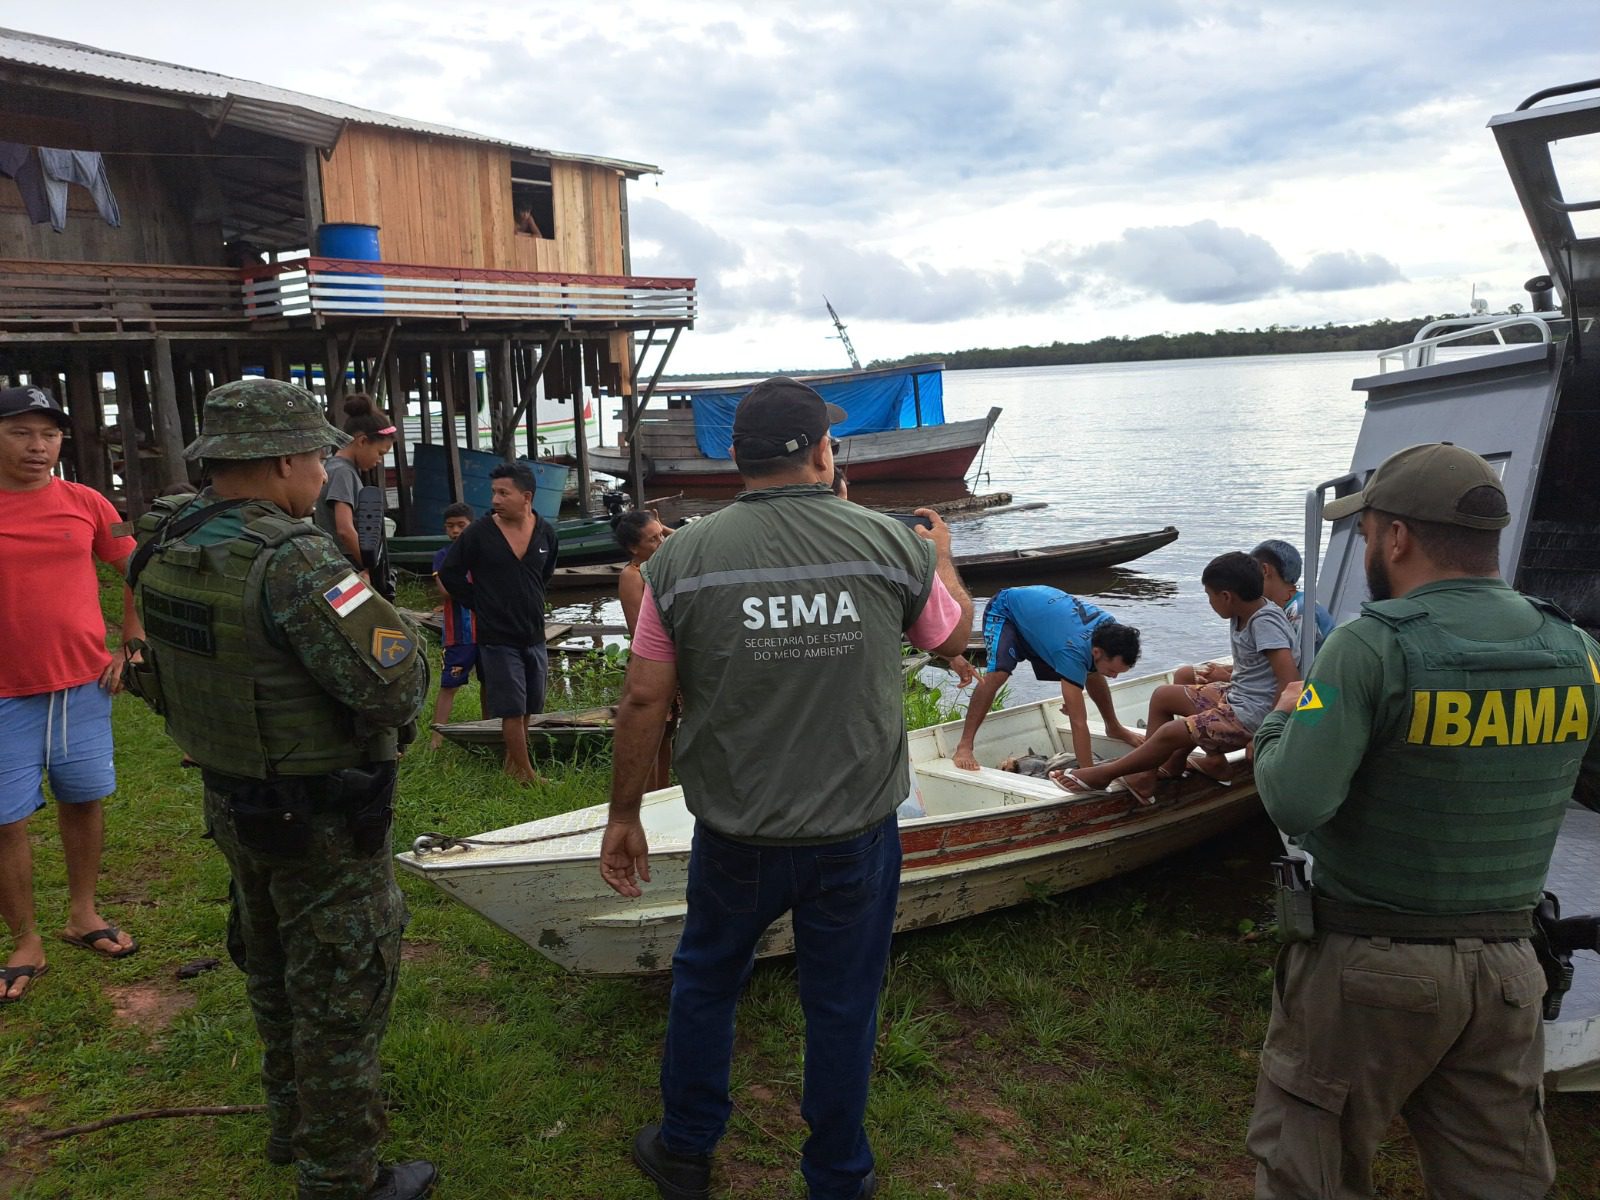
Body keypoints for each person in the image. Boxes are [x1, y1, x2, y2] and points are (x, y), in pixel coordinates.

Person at [598, 376, 973, 1200]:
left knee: (707, 980)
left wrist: (624, 814)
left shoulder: (679, 561)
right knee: (841, 1004)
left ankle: (688, 1149)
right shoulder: (890, 544)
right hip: (855, 832)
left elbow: (644, 699)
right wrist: (941, 554)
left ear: (735, 457)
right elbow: (953, 633)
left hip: (738, 832)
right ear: (819, 452)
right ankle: (838, 1176)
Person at [1245, 443, 1600, 1199]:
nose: (1368, 548)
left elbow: (1296, 802)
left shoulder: (1370, 646)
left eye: (1367, 534)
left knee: (1311, 1168)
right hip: (1510, 971)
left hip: (1369, 965)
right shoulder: (1575, 649)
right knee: (1497, 1180)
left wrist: (1276, 727)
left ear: (1396, 537)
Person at [125, 378, 434, 1200]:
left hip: (234, 796)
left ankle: (292, 1122)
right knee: (338, 987)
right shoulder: (294, 559)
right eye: (321, 454)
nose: (327, 467)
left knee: (269, 964)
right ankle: (341, 1176)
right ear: (287, 458)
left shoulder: (169, 535)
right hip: (321, 816)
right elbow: (395, 685)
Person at [0, 385, 143, 1003]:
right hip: (6, 693)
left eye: (49, 434)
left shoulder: (85, 501)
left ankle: (82, 913)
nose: (38, 447)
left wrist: (130, 640)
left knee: (84, 798)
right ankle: (24, 938)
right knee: (6, 820)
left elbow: (136, 568)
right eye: (20, 432)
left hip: (84, 684)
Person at [1054, 552, 1297, 800]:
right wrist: (1226, 673)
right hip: (1238, 698)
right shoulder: (1243, 613)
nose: (1209, 602)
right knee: (1163, 695)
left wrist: (1266, 733)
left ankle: (1103, 774)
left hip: (1253, 717)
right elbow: (1257, 667)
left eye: (1209, 596)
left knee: (1172, 731)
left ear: (1226, 597)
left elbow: (1290, 682)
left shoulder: (1265, 623)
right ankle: (1150, 774)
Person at [437, 463, 558, 785]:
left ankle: (511, 763)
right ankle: (527, 775)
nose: (496, 499)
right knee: (511, 707)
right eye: (494, 493)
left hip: (533, 632)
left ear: (526, 496)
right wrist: (479, 602)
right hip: (496, 635)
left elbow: (545, 573)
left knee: (531, 702)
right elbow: (450, 572)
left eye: (504, 493)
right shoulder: (478, 534)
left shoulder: (545, 531)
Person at [951, 586, 1143, 773]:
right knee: (998, 673)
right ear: (1097, 651)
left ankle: (1114, 727)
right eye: (1112, 670)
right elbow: (1078, 722)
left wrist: (1073, 694)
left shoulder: (1111, 630)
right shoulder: (1072, 650)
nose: (1114, 676)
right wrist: (1088, 774)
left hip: (1044, 622)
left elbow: (1091, 666)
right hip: (1006, 610)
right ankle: (964, 746)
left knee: (1094, 670)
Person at [314, 393, 395, 577]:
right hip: (346, 564)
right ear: (362, 441)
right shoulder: (343, 472)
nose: (380, 460)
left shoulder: (338, 468)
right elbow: (345, 530)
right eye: (380, 453)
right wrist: (373, 570)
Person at [428, 502, 477, 750]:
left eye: (461, 525)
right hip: (458, 632)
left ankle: (492, 727)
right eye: (450, 526)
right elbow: (446, 591)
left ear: (472, 526)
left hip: (488, 630)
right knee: (449, 684)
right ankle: (436, 738)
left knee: (491, 684)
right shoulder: (443, 556)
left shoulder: (483, 552)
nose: (456, 531)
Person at [1251, 538, 1334, 664]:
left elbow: (1294, 667)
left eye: (1252, 571)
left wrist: (1228, 676)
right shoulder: (1295, 604)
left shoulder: (1300, 611)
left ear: (1265, 570)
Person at [614, 509, 672, 635]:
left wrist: (663, 527)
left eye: (661, 535)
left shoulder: (662, 564)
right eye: (653, 539)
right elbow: (637, 628)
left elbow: (690, 542)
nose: (662, 542)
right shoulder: (632, 575)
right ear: (633, 547)